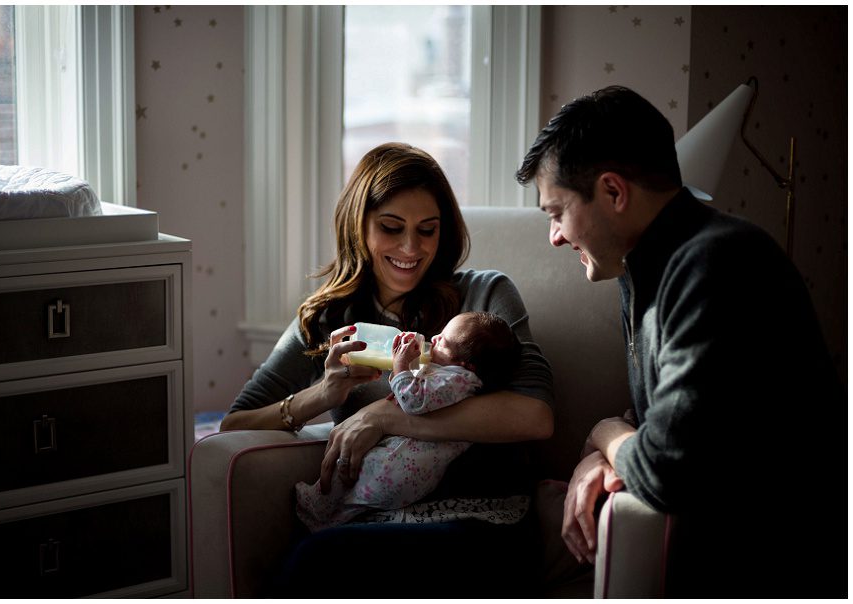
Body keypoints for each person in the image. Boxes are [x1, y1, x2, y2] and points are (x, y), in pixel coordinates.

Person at [516, 86, 844, 597]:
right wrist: (597, 457)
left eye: (557, 212)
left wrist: (603, 433)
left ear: (613, 192)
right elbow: (673, 417)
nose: (555, 236)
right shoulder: (647, 266)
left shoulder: (716, 265)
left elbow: (665, 468)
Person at [223, 142, 555, 597]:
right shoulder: (328, 320)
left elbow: (534, 416)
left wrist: (381, 417)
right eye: (391, 228)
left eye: (428, 230)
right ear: (358, 226)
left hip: (483, 520)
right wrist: (322, 394)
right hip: (371, 518)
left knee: (317, 561)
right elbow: (234, 423)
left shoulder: (484, 296)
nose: (411, 248)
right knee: (315, 557)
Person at [295, 311, 520, 532]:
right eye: (440, 333)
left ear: (466, 365)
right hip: (409, 475)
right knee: (355, 501)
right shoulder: (454, 379)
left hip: (397, 468)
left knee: (354, 478)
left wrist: (401, 366)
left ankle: (317, 506)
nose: (435, 339)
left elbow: (412, 401)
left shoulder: (458, 382)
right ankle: (330, 520)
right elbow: (420, 395)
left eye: (444, 342)